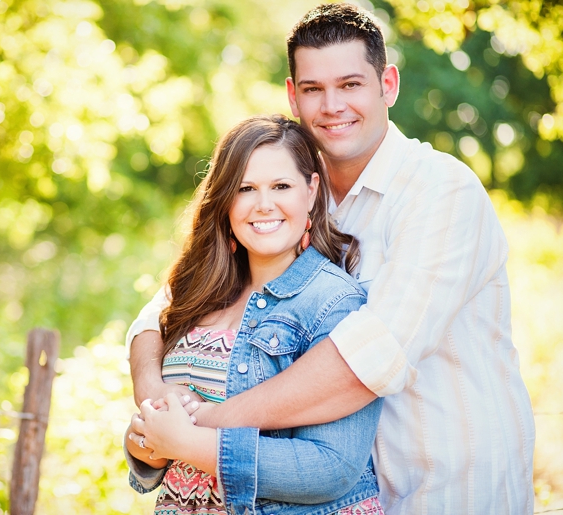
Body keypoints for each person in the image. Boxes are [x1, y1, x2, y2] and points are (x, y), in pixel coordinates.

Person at [127, 4, 535, 514]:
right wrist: (155, 405)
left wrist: (196, 432)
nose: (332, 105)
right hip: (333, 498)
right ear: (293, 96)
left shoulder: (441, 192)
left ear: (388, 84)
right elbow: (158, 316)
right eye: (314, 89)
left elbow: (368, 360)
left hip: (446, 486)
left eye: (351, 84)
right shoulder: (292, 191)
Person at [124, 114, 385, 514]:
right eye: (246, 188)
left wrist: (190, 443)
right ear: (226, 198)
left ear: (312, 190)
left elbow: (333, 467)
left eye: (281, 186)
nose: (264, 205)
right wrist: (145, 443)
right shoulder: (199, 292)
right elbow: (154, 443)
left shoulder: (334, 302)